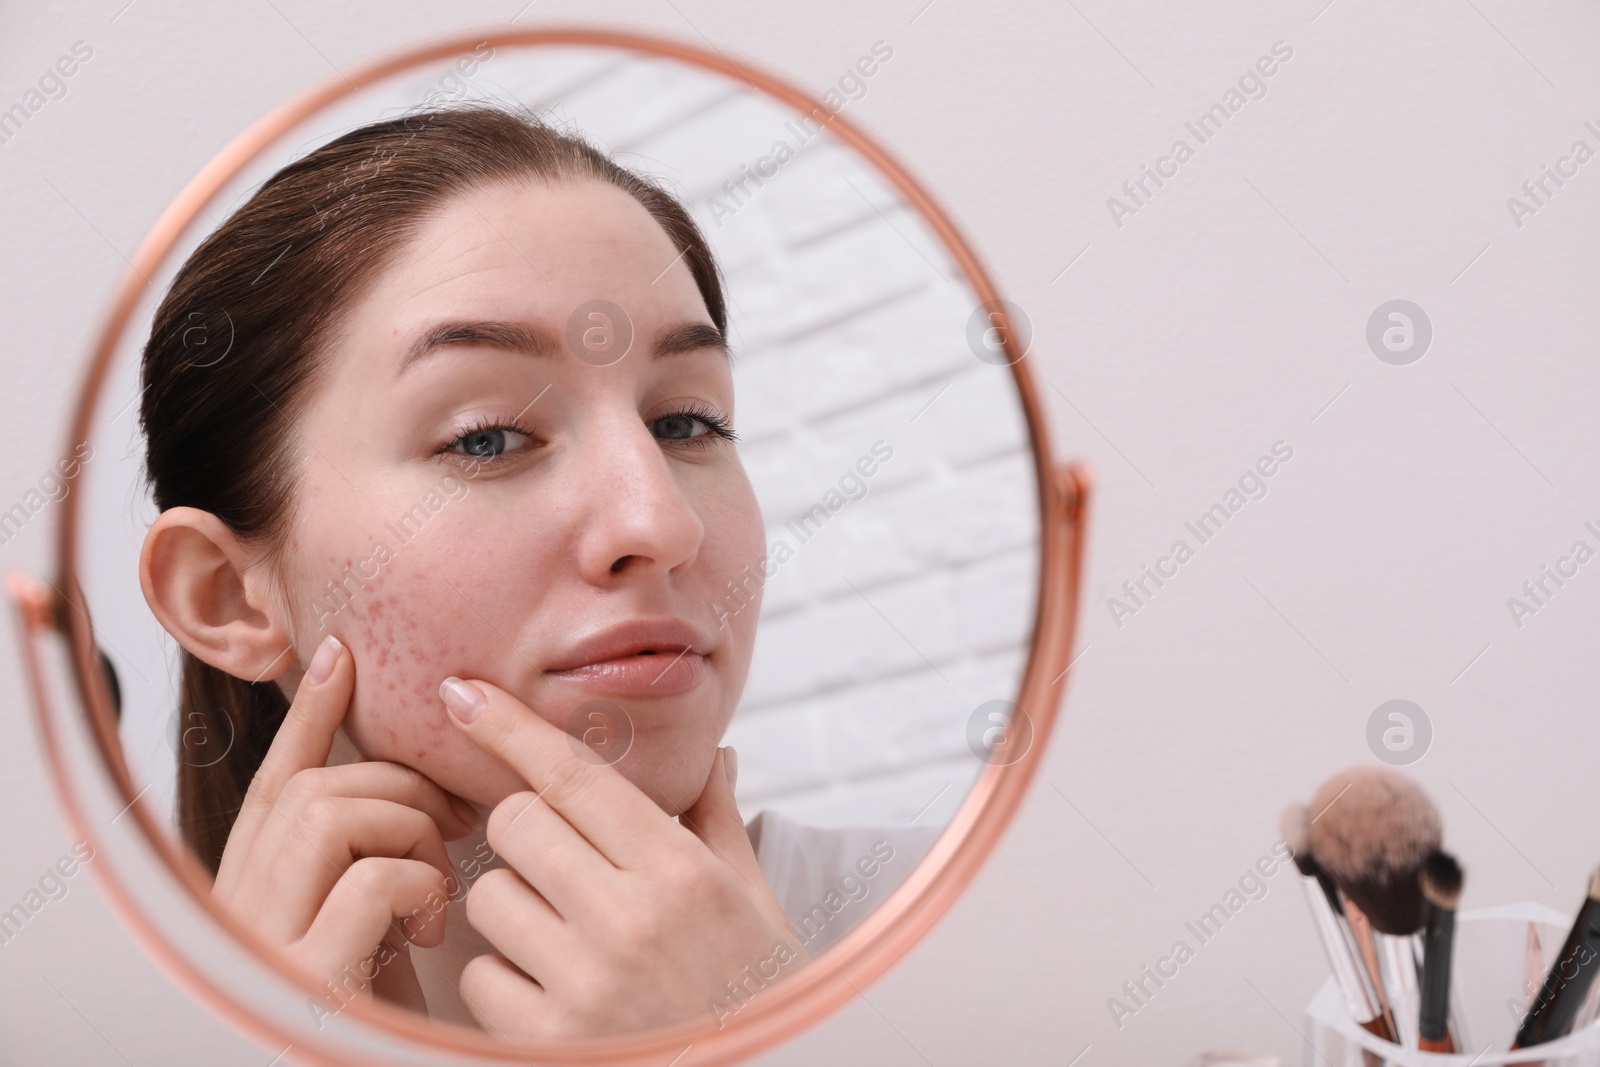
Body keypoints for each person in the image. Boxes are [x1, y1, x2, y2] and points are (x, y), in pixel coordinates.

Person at [135, 103, 934, 1039]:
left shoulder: (969, 943)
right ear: (227, 596)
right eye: (486, 437)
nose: (659, 521)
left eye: (686, 422)